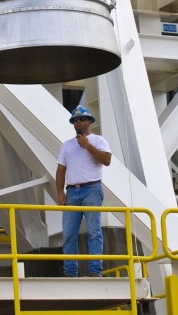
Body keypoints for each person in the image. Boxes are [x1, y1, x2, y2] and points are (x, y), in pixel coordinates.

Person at [55, 105, 112, 278]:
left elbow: (107, 160)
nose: (78, 122)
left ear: (89, 122)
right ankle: (70, 272)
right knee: (69, 233)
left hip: (92, 189)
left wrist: (87, 146)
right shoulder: (66, 145)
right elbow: (60, 170)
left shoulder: (98, 140)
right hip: (72, 191)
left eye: (82, 119)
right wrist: (60, 193)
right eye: (75, 120)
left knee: (94, 231)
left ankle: (95, 270)